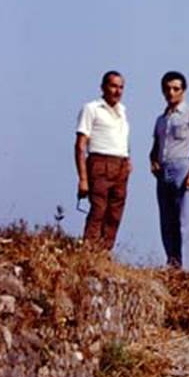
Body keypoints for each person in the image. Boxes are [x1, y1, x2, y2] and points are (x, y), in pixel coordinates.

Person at [150, 71, 189, 269]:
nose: (171, 93)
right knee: (167, 222)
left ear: (183, 90)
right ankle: (173, 264)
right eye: (167, 89)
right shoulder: (161, 119)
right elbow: (156, 146)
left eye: (176, 89)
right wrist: (153, 161)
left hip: (183, 167)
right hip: (164, 170)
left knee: (185, 222)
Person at [75, 71, 131, 250]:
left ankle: (104, 253)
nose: (117, 91)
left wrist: (127, 161)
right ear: (103, 87)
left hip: (121, 165)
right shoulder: (91, 108)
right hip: (100, 162)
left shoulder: (122, 110)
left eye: (121, 87)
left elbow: (121, 138)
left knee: (115, 213)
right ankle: (89, 251)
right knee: (98, 209)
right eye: (113, 86)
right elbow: (80, 145)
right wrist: (83, 179)